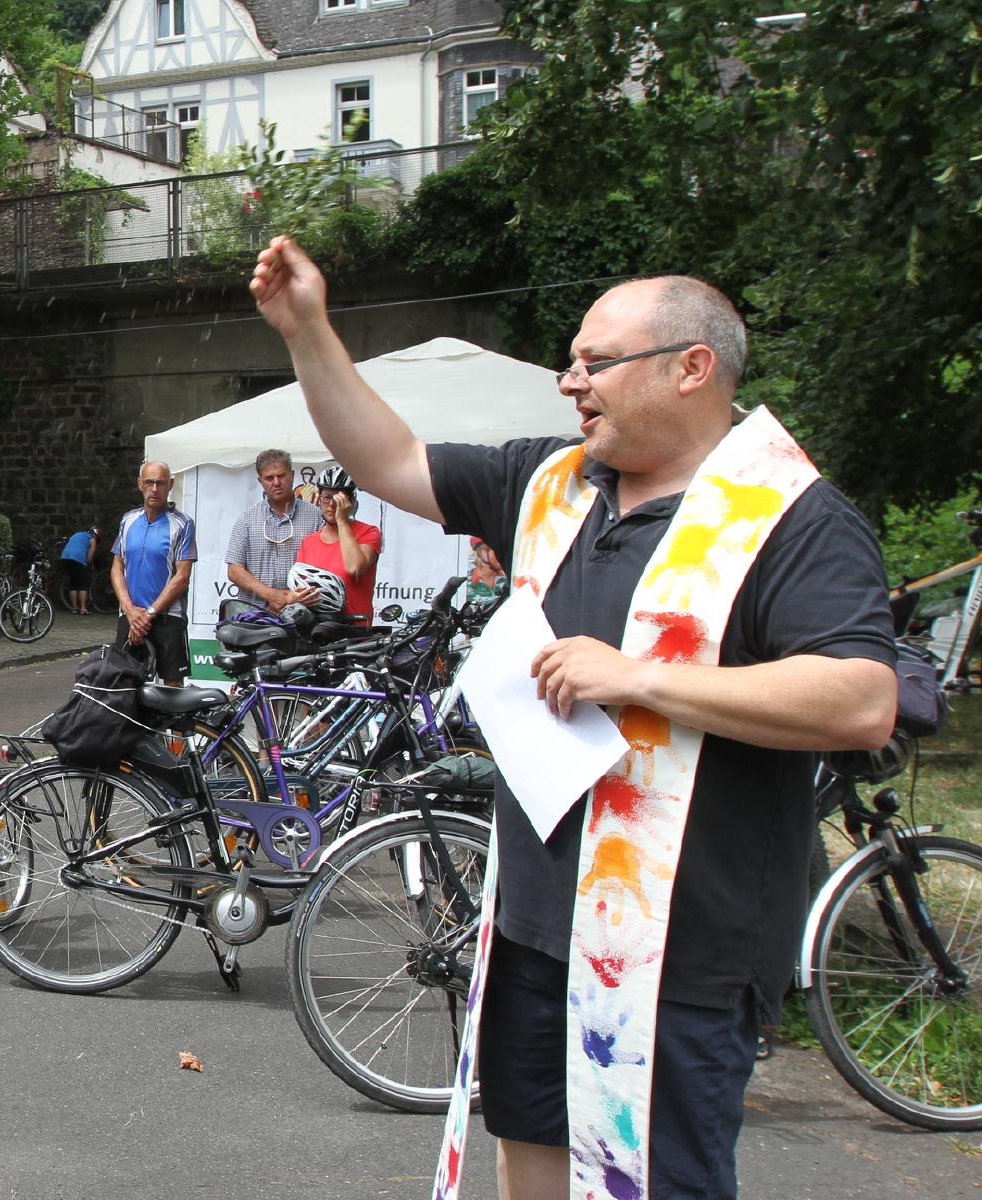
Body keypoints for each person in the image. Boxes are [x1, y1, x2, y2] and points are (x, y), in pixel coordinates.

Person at [251, 234, 897, 1200]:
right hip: (535, 919)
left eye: (596, 362)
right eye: (572, 361)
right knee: (531, 1148)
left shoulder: (790, 518)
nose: (571, 382)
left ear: (692, 369)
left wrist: (639, 677)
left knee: (654, 1180)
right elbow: (389, 459)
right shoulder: (553, 485)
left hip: (681, 941)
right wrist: (309, 332)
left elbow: (860, 698)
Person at [110, 460, 197, 684]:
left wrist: (148, 614)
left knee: (173, 686)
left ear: (170, 485)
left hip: (168, 617)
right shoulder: (127, 520)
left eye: (160, 483)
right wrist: (130, 611)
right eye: (149, 482)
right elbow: (117, 566)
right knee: (125, 684)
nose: (155, 489)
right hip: (131, 615)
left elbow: (182, 576)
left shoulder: (183, 524)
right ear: (140, 484)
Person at [225, 449, 325, 611]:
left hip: (303, 615)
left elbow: (324, 566)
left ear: (292, 475)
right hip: (255, 615)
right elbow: (234, 570)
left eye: (281, 475)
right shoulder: (246, 519)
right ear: (260, 481)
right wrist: (271, 595)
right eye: (269, 478)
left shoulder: (316, 517)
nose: (276, 482)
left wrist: (291, 599)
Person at [286, 466, 382, 626]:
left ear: (350, 501)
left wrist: (343, 520)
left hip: (354, 632)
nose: (331, 504)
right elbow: (296, 589)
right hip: (317, 630)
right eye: (326, 498)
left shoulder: (369, 532)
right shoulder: (309, 542)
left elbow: (354, 567)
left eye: (338, 499)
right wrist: (292, 598)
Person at [58, 526, 97, 614]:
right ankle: (83, 609)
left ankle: (74, 608)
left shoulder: (77, 534)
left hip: (65, 557)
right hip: (77, 557)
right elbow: (90, 558)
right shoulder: (92, 539)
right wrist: (91, 565)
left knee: (73, 583)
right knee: (83, 584)